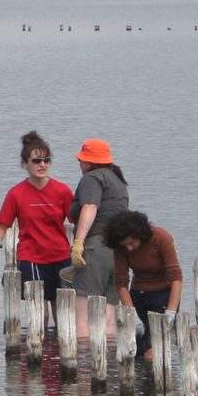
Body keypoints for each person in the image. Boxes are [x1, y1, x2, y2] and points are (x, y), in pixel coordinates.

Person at [0, 130, 76, 318]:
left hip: (61, 256)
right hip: (31, 258)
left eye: (46, 160)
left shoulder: (62, 191)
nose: (42, 165)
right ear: (25, 164)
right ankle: (39, 337)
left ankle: (58, 338)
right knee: (39, 312)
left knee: (62, 310)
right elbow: (2, 227)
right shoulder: (16, 193)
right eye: (36, 161)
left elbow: (76, 220)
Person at [68, 139, 130, 341]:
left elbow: (90, 207)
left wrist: (78, 242)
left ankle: (84, 360)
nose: (79, 163)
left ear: (89, 161)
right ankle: (109, 357)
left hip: (96, 249)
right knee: (109, 316)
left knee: (83, 316)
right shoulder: (118, 180)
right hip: (118, 252)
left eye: (81, 159)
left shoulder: (92, 178)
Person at [104, 209, 182, 367]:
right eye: (125, 245)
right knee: (136, 349)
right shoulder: (121, 247)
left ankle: (157, 379)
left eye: (131, 243)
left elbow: (176, 278)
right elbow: (121, 282)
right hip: (138, 295)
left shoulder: (161, 237)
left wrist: (171, 312)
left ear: (139, 234)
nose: (129, 249)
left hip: (163, 295)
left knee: (153, 350)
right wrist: (132, 314)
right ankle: (140, 380)